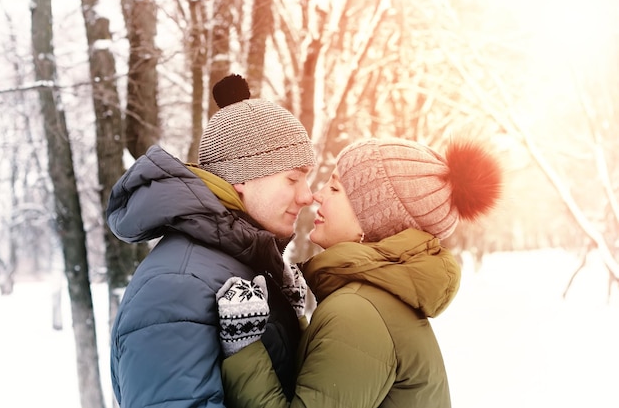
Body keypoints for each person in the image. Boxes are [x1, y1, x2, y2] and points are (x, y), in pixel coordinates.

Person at [217, 137, 503, 408]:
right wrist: (296, 321)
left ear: (372, 223)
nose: (316, 195)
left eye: (336, 188)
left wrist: (244, 347)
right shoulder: (374, 302)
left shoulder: (358, 312)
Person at [106, 74, 316, 408]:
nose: (308, 196)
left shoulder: (237, 262)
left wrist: (288, 322)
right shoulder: (176, 287)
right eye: (292, 178)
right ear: (242, 178)